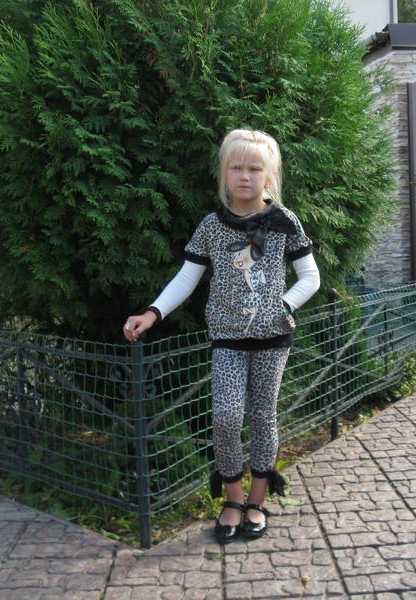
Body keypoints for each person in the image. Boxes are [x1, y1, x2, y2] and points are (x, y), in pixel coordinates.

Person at [123, 129, 320, 543]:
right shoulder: (212, 226)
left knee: (263, 418)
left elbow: (310, 277)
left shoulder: (284, 222)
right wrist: (153, 312)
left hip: (272, 340)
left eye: (255, 168)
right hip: (227, 338)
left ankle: (257, 502)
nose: (245, 176)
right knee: (227, 418)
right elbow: (186, 278)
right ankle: (233, 500)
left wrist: (282, 306)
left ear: (270, 175)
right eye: (236, 167)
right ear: (224, 174)